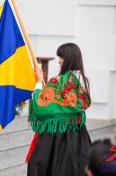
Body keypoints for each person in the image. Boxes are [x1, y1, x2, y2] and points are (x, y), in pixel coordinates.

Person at [26, 43, 92, 176]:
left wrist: (39, 81)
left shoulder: (58, 81)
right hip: (78, 136)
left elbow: (40, 106)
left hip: (56, 136)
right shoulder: (82, 81)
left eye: (61, 57)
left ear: (68, 58)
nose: (59, 61)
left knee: (40, 167)